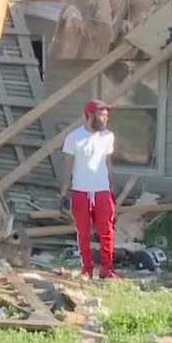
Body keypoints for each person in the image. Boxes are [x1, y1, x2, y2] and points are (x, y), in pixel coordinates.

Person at [61, 100, 118, 280]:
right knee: (83, 232)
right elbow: (68, 166)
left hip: (102, 190)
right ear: (90, 115)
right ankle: (87, 269)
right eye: (102, 115)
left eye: (107, 116)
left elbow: (108, 163)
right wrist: (64, 191)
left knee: (106, 231)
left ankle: (106, 270)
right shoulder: (74, 137)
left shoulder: (108, 136)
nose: (105, 119)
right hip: (81, 191)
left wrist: (112, 185)